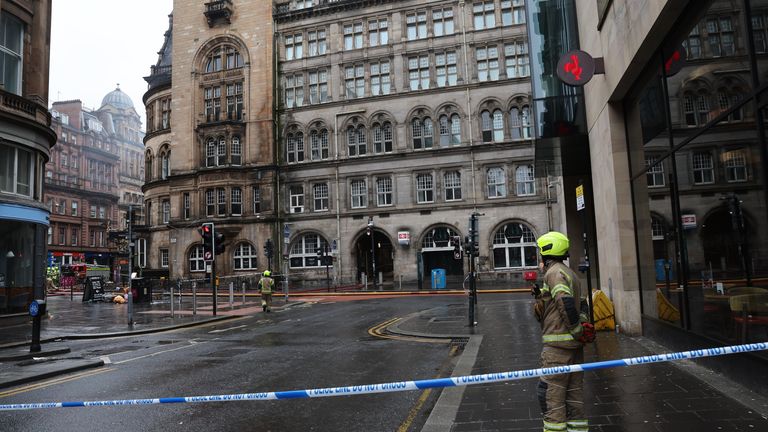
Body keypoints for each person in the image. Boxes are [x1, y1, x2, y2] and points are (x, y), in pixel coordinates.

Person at [532, 231, 594, 432]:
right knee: (573, 397)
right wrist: (581, 327)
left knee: (551, 397)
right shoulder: (570, 273)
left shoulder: (553, 273)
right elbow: (582, 303)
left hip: (557, 349)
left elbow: (564, 301)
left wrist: (576, 330)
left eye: (541, 252)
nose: (539, 257)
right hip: (574, 348)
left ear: (546, 251)